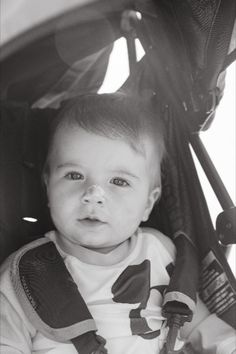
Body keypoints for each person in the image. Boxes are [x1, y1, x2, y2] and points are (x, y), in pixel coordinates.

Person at [0, 93, 235, 354]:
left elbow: (199, 324)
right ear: (48, 186)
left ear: (148, 203)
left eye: (119, 181)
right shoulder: (25, 274)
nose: (93, 194)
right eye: (74, 175)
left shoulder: (160, 252)